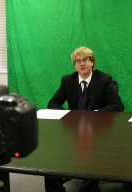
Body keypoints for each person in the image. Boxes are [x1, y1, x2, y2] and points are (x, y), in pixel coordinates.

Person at [46, 46, 124, 192]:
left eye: (85, 60)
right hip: (73, 132)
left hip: (98, 133)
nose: (82, 63)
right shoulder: (67, 80)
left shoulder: (104, 79)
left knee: (92, 157)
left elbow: (118, 105)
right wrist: (69, 115)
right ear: (75, 65)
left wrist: (95, 113)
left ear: (92, 62)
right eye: (78, 61)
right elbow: (52, 103)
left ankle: (88, 188)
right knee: (52, 159)